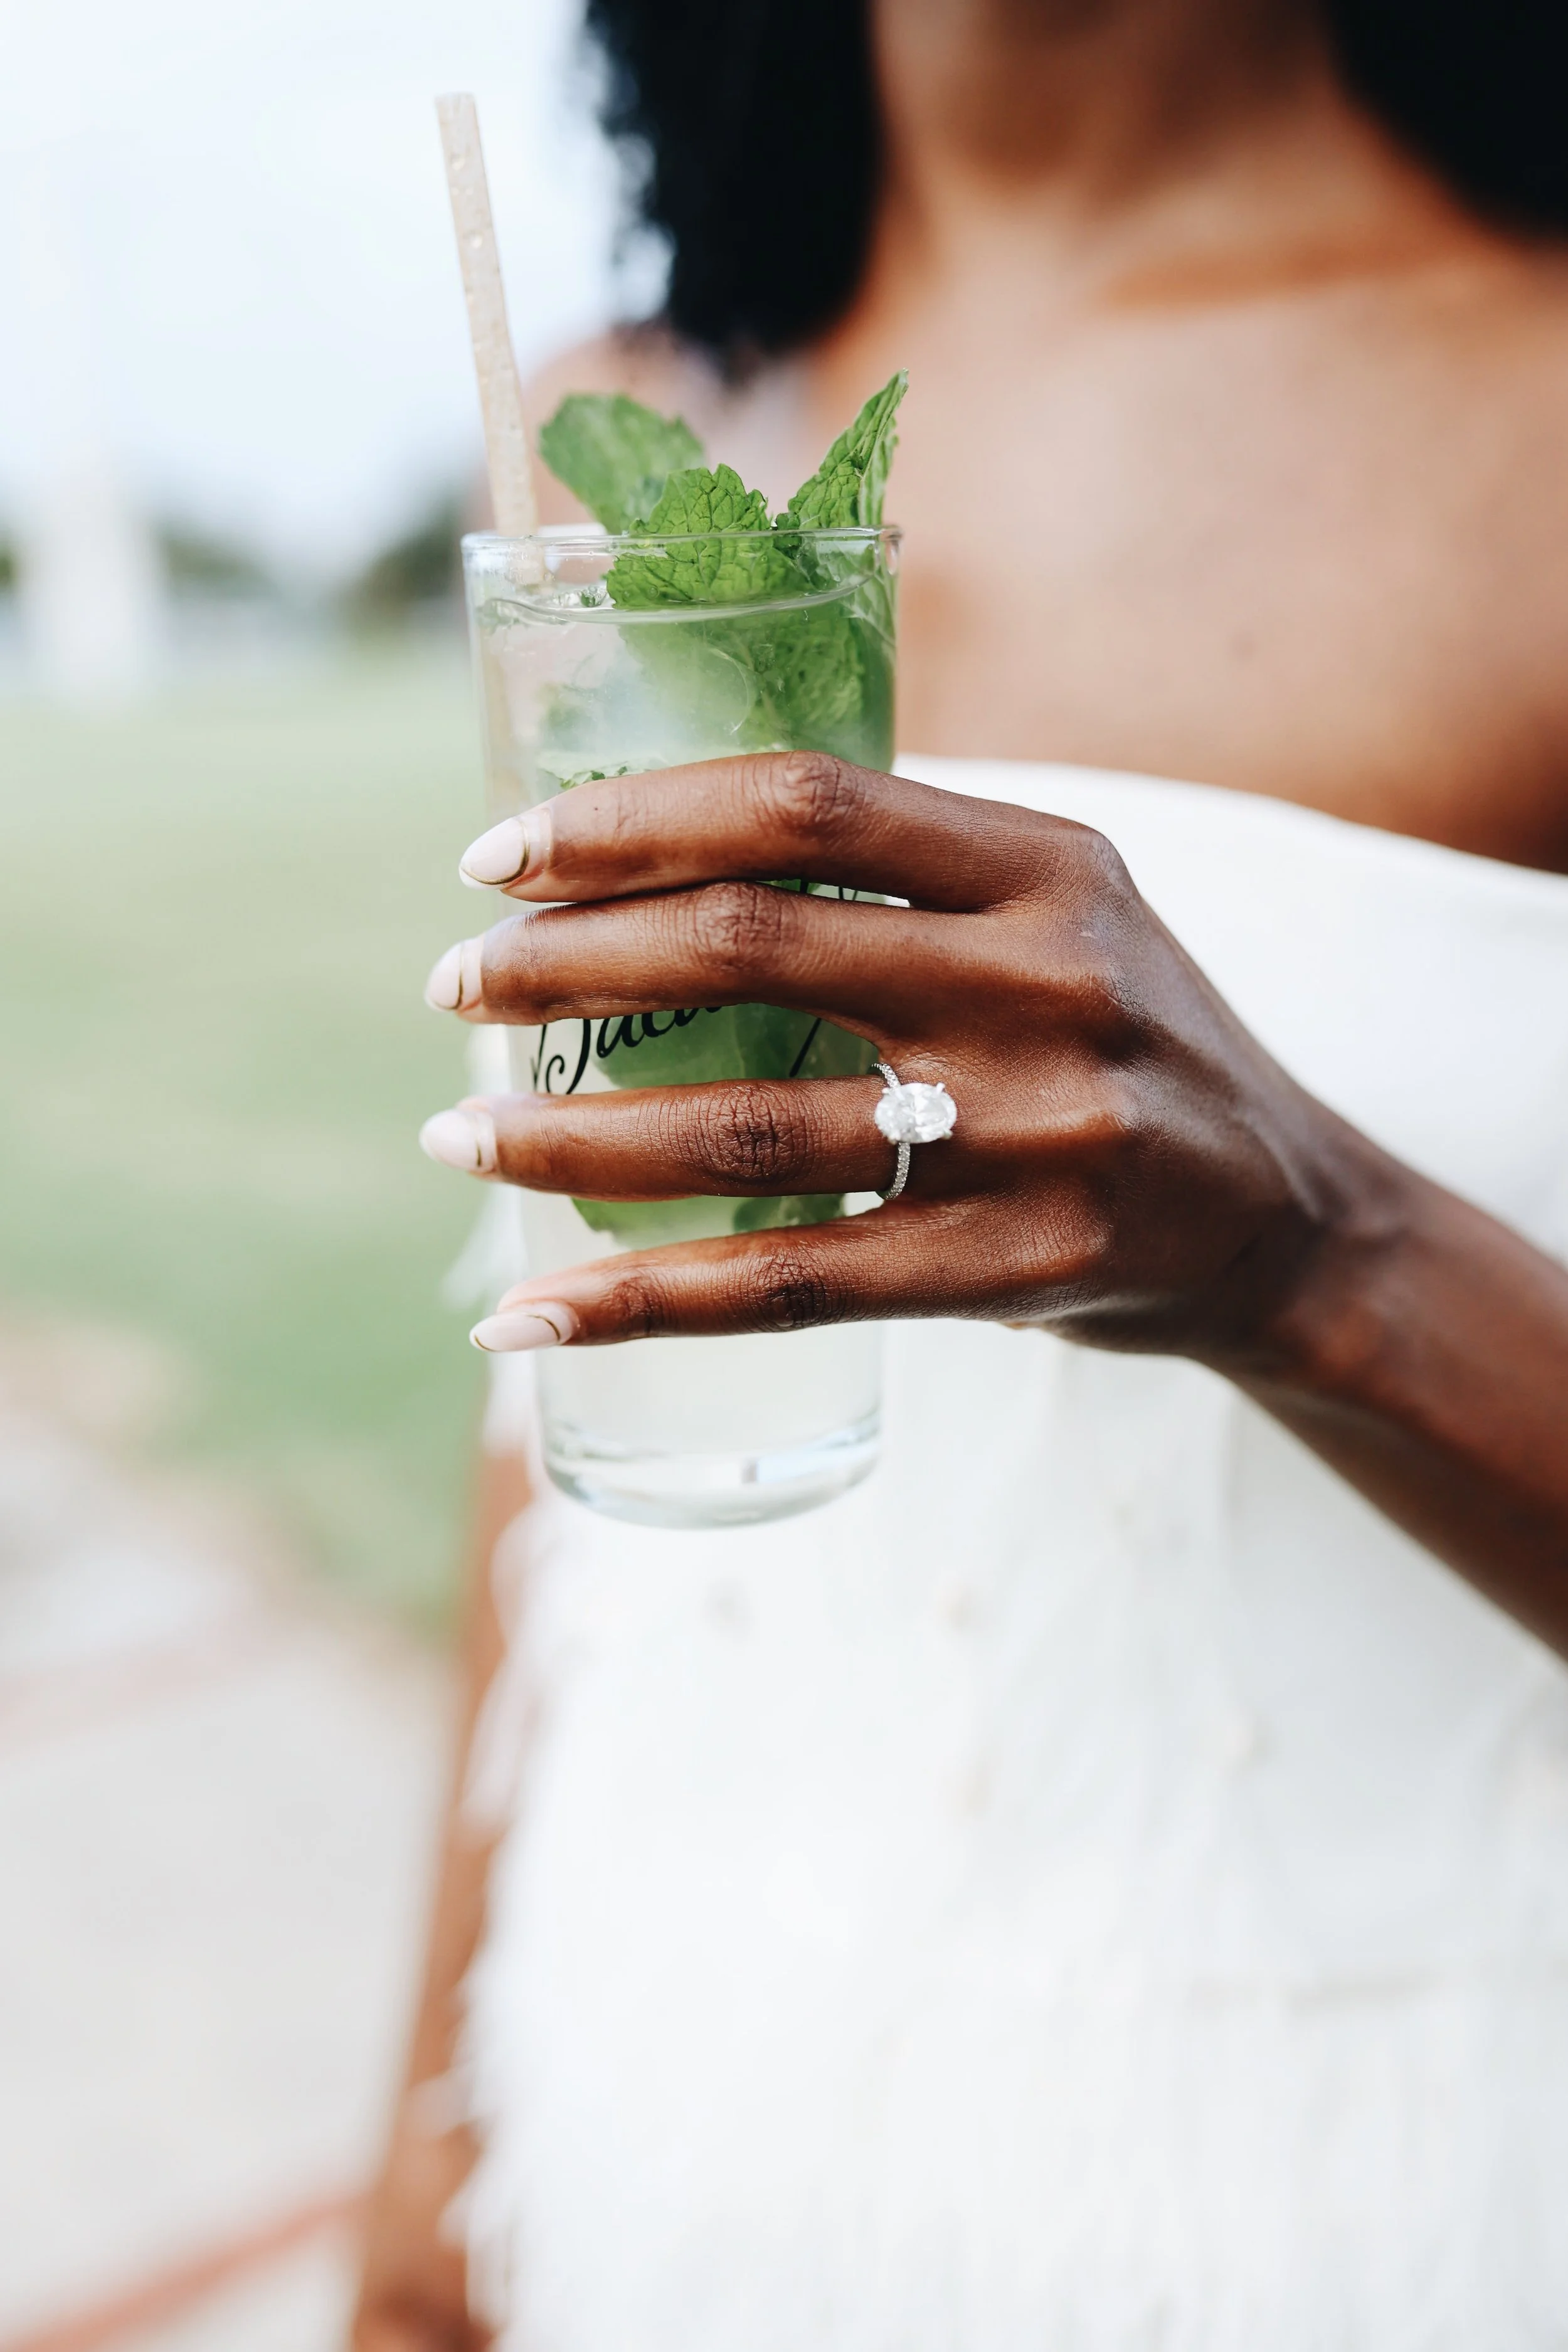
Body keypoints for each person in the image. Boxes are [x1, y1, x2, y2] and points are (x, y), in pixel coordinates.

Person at [354, 0, 1568, 2343]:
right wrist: (430, 2174)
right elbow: (588, 1309)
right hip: (666, 2143)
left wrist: (1313, 1252)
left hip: (1403, 2207)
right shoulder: (637, 426)